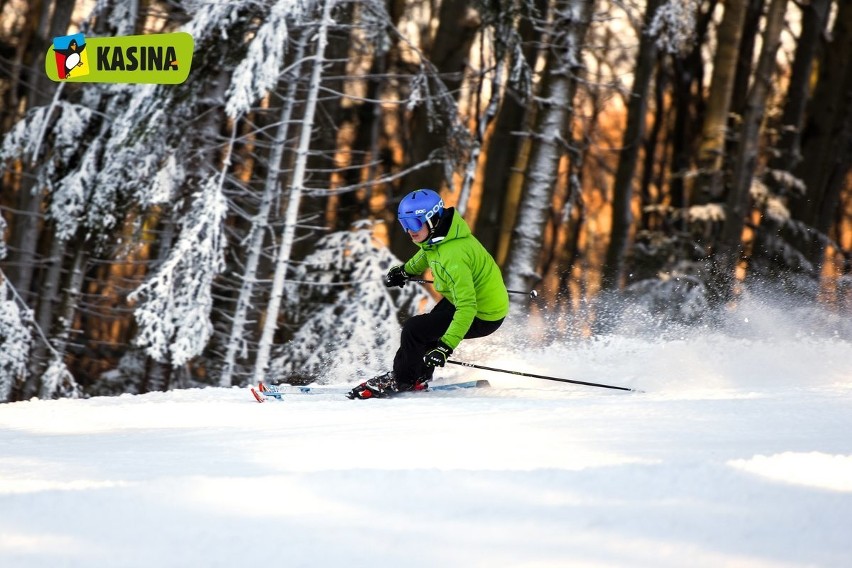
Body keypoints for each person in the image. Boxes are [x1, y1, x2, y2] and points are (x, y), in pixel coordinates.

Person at [348, 189, 509, 399]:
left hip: (483, 314)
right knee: (426, 330)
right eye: (405, 225)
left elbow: (467, 307)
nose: (409, 231)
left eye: (414, 224)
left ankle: (404, 380)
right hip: (469, 300)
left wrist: (445, 347)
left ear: (432, 220)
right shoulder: (443, 236)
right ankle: (416, 376)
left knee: (415, 330)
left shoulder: (453, 256)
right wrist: (405, 271)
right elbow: (427, 253)